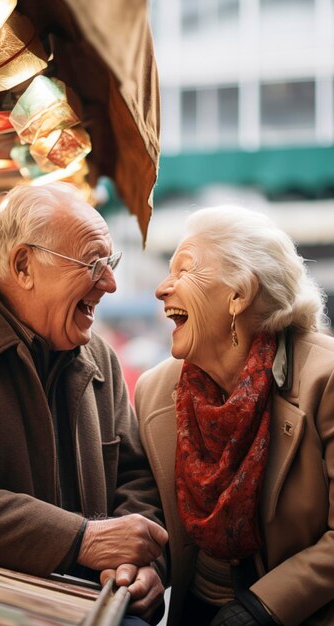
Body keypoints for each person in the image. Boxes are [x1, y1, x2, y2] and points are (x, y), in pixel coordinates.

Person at [0, 182, 168, 625]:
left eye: (111, 262)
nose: (110, 283)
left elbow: (135, 477)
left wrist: (141, 567)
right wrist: (81, 540)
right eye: (93, 263)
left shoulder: (99, 356)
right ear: (24, 266)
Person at [135, 204, 334, 626]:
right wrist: (148, 567)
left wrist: (262, 609)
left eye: (184, 271)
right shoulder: (154, 393)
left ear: (239, 295)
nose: (162, 288)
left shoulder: (326, 379)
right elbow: (150, 510)